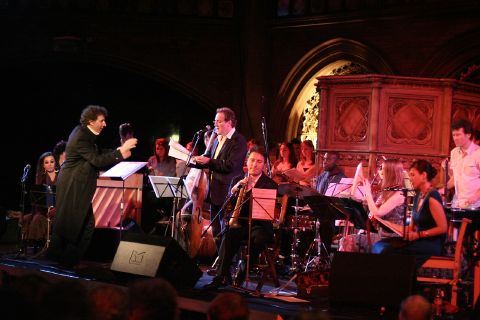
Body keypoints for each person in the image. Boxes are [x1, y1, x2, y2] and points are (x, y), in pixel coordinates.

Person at [46, 105, 137, 267]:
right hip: (73, 185)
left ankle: (63, 261)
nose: (105, 124)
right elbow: (96, 160)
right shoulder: (82, 135)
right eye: (101, 121)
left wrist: (118, 150)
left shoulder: (84, 133)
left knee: (78, 225)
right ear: (90, 121)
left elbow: (97, 152)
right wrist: (121, 152)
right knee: (75, 225)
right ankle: (62, 261)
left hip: (75, 184)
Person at [203, 146, 276, 289]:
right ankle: (221, 277)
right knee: (228, 234)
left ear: (264, 165)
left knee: (258, 238)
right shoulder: (237, 179)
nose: (255, 164)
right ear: (246, 161)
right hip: (240, 222)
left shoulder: (270, 184)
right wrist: (234, 189)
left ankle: (242, 274)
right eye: (252, 160)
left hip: (259, 224)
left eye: (259, 162)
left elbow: (267, 211)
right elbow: (227, 208)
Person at [373, 159, 448, 267]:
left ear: (423, 176)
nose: (410, 178)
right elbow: (410, 228)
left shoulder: (432, 197)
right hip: (418, 240)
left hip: (430, 244)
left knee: (388, 252)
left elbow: (443, 228)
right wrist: (387, 224)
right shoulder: (417, 195)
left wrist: (419, 234)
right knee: (380, 245)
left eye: (413, 175)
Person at [194, 107, 248, 251]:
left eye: (218, 121)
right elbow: (211, 163)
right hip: (215, 191)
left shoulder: (238, 140)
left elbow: (230, 165)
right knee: (216, 230)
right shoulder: (218, 140)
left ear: (229, 122)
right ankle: (220, 262)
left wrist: (209, 162)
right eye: (215, 121)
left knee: (227, 230)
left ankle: (227, 266)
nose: (215, 124)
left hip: (228, 192)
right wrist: (197, 162)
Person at [351, 159, 406, 253]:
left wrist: (368, 193)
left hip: (392, 237)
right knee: (347, 239)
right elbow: (374, 212)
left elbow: (378, 213)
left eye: (382, 169)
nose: (379, 171)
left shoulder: (398, 194)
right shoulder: (387, 192)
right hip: (381, 234)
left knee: (349, 241)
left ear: (389, 172)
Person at [314, 151, 346, 255]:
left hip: (333, 213)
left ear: (336, 161)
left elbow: (340, 202)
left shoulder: (342, 179)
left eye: (328, 159)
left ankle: (324, 255)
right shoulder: (322, 176)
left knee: (326, 223)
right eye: (324, 159)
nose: (324, 162)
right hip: (320, 210)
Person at [447, 119, 480, 209]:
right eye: (453, 135)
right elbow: (456, 177)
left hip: (476, 205)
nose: (455, 138)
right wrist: (442, 189)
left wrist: (476, 196)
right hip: (458, 203)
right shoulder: (454, 152)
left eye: (458, 135)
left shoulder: (478, 153)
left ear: (468, 135)